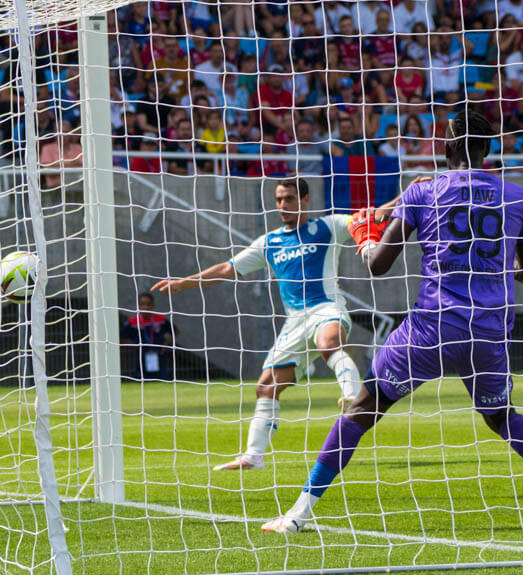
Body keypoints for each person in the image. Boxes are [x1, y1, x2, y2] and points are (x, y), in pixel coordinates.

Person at [261, 110, 523, 534]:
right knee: (501, 415)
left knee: (363, 408)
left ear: (446, 146)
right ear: (487, 149)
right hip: (489, 329)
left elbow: (378, 265)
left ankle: (298, 514)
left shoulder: (424, 192)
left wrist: (365, 237)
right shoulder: (517, 197)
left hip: (432, 327)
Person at [152, 177, 364, 471]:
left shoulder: (329, 226)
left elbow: (369, 216)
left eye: (289, 199)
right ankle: (253, 457)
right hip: (295, 322)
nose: (283, 205)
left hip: (326, 308)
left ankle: (354, 397)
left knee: (329, 343)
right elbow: (227, 268)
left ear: (305, 199)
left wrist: (408, 197)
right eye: (278, 200)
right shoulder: (270, 242)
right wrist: (184, 283)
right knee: (266, 387)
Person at [121, 292, 178, 380]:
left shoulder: (161, 319)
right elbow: (121, 338)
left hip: (159, 354)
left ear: (153, 306)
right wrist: (135, 345)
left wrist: (166, 344)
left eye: (149, 304)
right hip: (141, 355)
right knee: (141, 379)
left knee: (162, 379)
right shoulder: (132, 322)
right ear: (138, 306)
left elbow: (175, 331)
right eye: (142, 304)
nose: (146, 307)